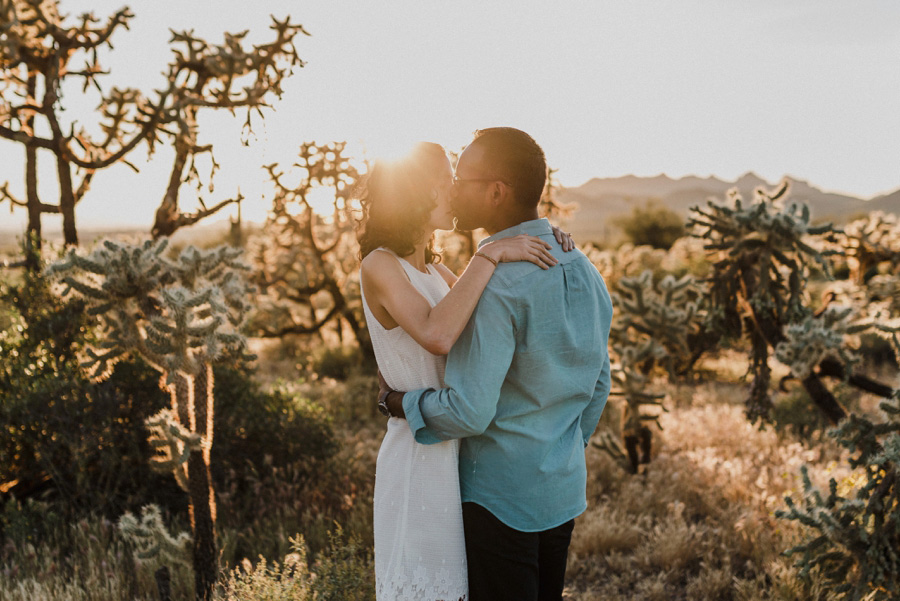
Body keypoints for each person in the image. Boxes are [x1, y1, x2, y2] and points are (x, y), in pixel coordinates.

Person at [379, 128, 613, 601]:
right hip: (561, 488)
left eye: (461, 178)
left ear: (496, 192)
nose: (451, 189)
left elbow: (469, 412)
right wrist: (561, 447)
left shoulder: (494, 288)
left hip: (498, 499)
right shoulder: (584, 267)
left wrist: (400, 402)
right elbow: (599, 382)